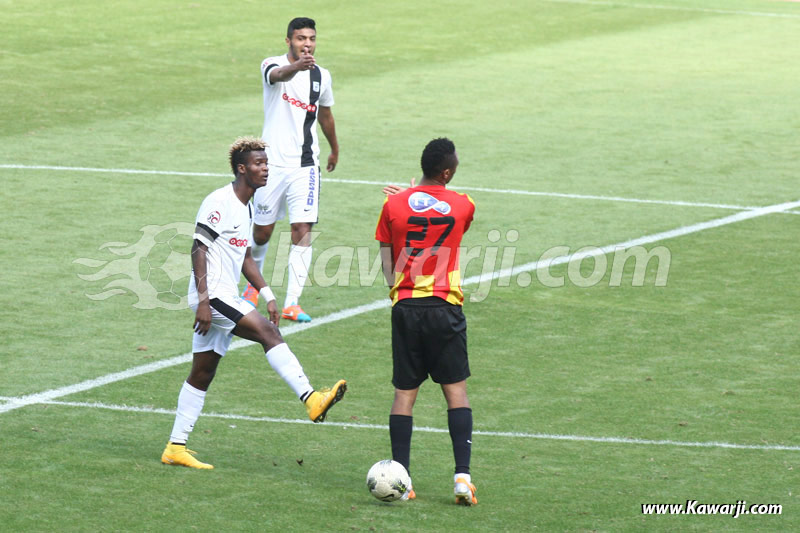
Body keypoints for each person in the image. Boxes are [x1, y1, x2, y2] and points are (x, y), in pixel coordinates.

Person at [161, 137, 346, 470]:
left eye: (266, 163)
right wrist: (204, 301)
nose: (265, 169)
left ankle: (175, 446)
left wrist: (268, 294)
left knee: (202, 373)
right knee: (269, 335)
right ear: (242, 169)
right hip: (213, 295)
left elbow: (245, 257)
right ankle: (311, 398)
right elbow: (198, 249)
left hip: (224, 294)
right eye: (259, 164)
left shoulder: (247, 206)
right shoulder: (220, 201)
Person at [374, 138, 477, 505]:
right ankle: (462, 479)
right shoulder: (464, 205)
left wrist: (408, 195)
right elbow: (442, 214)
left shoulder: (392, 204)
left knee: (404, 395)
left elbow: (387, 263)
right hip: (445, 307)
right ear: (446, 172)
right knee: (456, 393)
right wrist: (421, 195)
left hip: (406, 307)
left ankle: (401, 478)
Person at [241, 17, 339, 323]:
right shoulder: (271, 64)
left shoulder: (321, 77)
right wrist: (297, 67)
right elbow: (279, 74)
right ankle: (253, 287)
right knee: (262, 231)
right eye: (300, 38)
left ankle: (292, 302)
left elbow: (325, 115)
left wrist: (335, 147)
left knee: (302, 229)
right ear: (288, 41)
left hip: (306, 166)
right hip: (270, 165)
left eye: (311, 38)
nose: (307, 44)